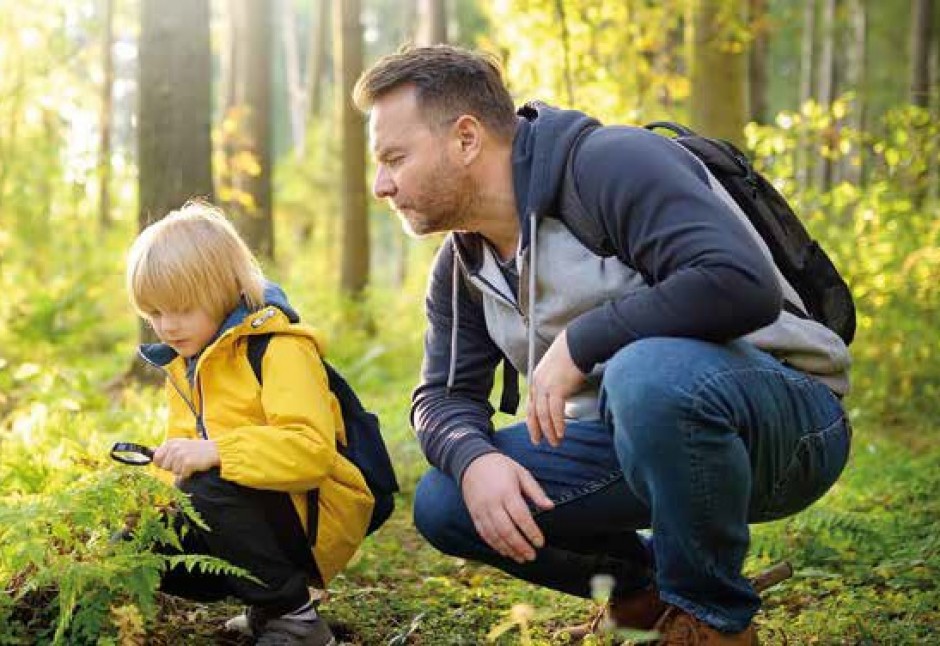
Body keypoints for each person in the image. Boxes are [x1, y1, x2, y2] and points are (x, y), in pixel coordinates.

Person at [353, 45, 852, 644]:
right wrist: (474, 458)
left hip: (785, 426)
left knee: (644, 370)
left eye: (394, 158)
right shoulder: (463, 262)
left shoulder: (610, 165)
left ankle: (712, 618)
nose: (381, 185)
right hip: (639, 443)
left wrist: (582, 343)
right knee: (445, 501)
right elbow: (440, 397)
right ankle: (646, 593)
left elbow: (740, 283)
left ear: (465, 139)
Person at [125, 201, 374, 646]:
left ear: (224, 288)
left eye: (180, 308)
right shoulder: (185, 365)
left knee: (208, 487)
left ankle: (296, 620)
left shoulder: (278, 348)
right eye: (154, 313)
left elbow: (310, 452)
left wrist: (217, 451)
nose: (167, 326)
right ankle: (267, 605)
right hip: (251, 512)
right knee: (142, 536)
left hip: (315, 517)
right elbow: (182, 455)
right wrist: (155, 496)